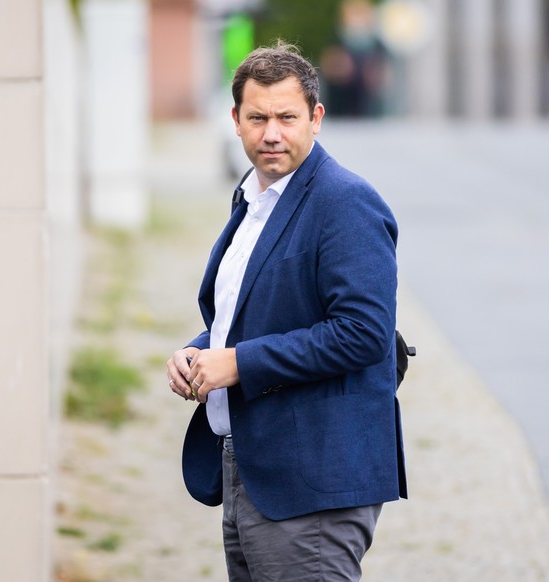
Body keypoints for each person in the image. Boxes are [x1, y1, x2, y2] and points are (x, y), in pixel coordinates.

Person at [166, 41, 407, 582]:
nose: (271, 133)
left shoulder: (345, 202)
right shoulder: (252, 199)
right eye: (257, 118)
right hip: (249, 465)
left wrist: (238, 364)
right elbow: (257, 311)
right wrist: (200, 351)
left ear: (316, 119)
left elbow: (363, 334)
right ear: (235, 120)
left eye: (286, 117)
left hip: (313, 480)